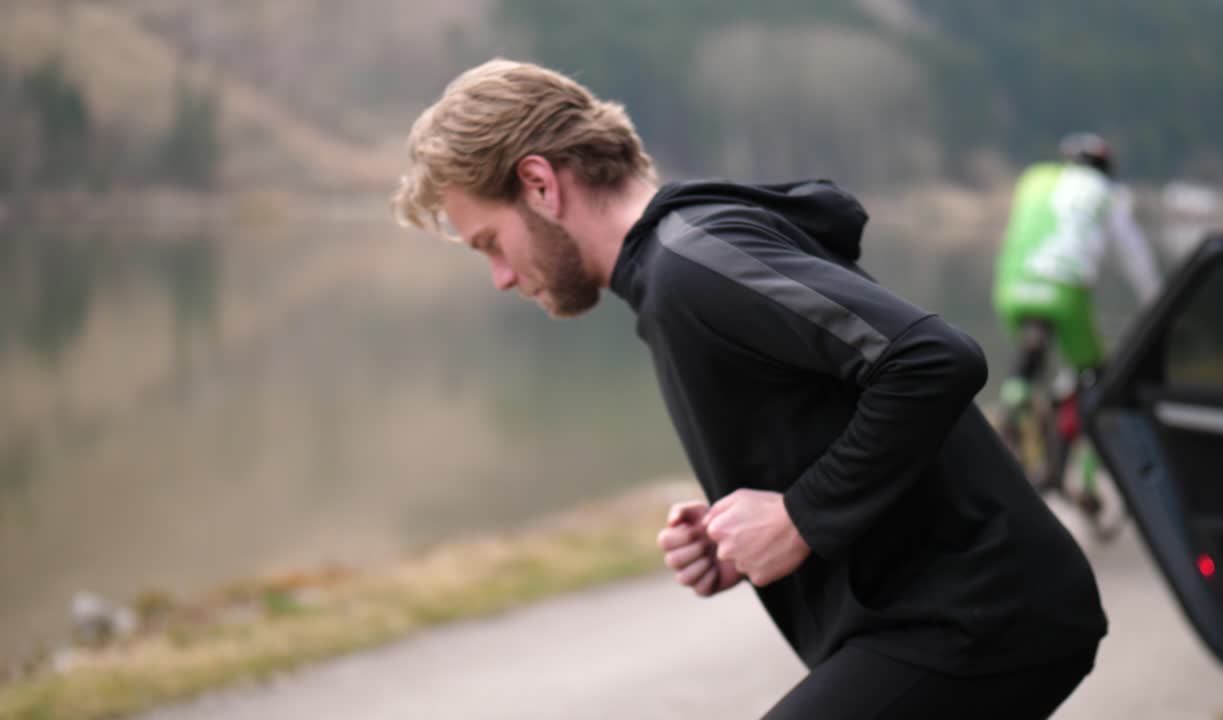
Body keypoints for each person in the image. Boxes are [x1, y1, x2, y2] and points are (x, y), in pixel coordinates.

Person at [392, 58, 1106, 719]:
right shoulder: (674, 274)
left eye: (490, 242)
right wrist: (736, 531)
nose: (503, 276)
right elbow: (832, 413)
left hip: (982, 615)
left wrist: (799, 517)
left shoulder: (691, 263)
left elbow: (930, 358)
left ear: (541, 184)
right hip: (941, 616)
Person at [993, 132, 1163, 517]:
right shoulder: (1106, 194)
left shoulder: (1034, 178)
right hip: (1065, 290)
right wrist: (1156, 300)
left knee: (1030, 359)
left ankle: (1012, 406)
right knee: (1092, 378)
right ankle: (1083, 477)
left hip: (1011, 285)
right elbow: (1134, 257)